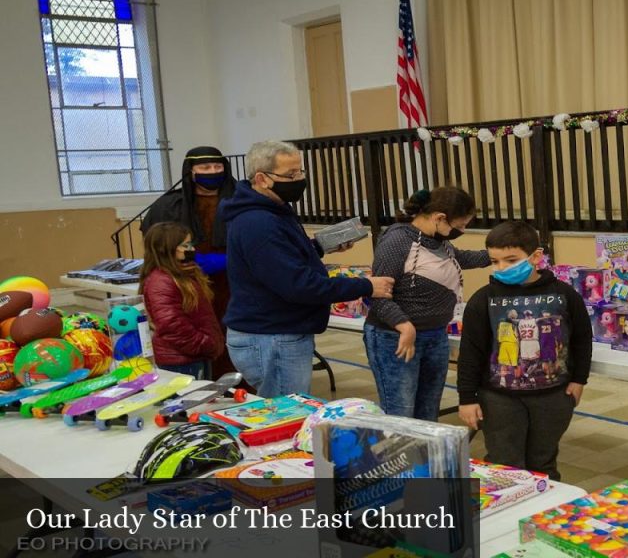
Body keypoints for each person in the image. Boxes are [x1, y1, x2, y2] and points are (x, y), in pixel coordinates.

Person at [219, 140, 394, 398]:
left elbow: (280, 259)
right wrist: (366, 286)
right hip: (271, 335)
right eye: (291, 175)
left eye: (301, 172)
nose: (299, 179)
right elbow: (298, 285)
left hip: (276, 331)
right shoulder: (258, 222)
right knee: (287, 414)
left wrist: (318, 247)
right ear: (262, 178)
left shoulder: (272, 208)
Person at [457, 221, 591, 480]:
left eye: (510, 260)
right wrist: (467, 398)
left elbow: (582, 339)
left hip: (553, 396)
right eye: (495, 261)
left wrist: (579, 379)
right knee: (504, 465)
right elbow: (471, 352)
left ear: (536, 256)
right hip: (499, 398)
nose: (501, 268)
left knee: (543, 463)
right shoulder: (484, 299)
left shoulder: (563, 294)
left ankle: (542, 516)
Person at [364, 187, 490, 421]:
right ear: (439, 218)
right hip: (396, 337)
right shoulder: (397, 241)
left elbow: (461, 258)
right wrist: (404, 325)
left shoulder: (437, 240)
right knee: (400, 412)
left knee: (428, 411)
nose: (461, 231)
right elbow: (377, 295)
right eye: (460, 226)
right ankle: (400, 457)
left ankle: (423, 457)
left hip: (434, 335)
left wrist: (499, 254)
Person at [141, 146, 239, 385]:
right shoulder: (169, 205)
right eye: (205, 167)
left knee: (231, 331)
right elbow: (158, 240)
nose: (213, 171)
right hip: (184, 281)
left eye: (218, 167)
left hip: (235, 281)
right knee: (195, 328)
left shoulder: (239, 198)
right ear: (191, 171)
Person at [139, 222, 223, 379]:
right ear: (168, 249)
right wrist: (203, 344)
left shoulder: (182, 274)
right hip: (181, 360)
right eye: (186, 245)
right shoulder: (161, 281)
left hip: (193, 356)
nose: (191, 249)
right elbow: (172, 325)